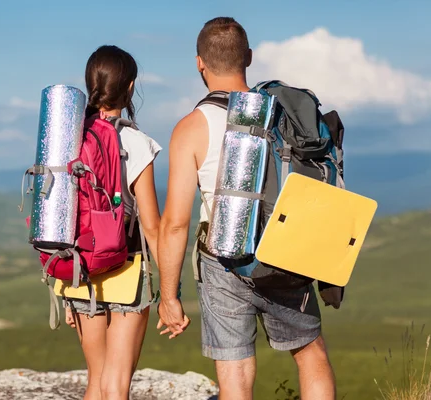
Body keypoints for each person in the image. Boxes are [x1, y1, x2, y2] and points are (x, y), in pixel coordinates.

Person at [156, 17, 336, 399]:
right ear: (249, 58)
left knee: (235, 374)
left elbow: (175, 223)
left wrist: (170, 296)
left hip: (223, 260)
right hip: (285, 248)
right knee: (310, 353)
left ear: (199, 63)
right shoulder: (282, 114)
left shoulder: (191, 127)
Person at [63, 45, 162, 400]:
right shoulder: (137, 143)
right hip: (127, 267)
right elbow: (151, 225)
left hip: (79, 269)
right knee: (117, 385)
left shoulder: (69, 140)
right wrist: (171, 293)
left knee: (97, 380)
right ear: (131, 87)